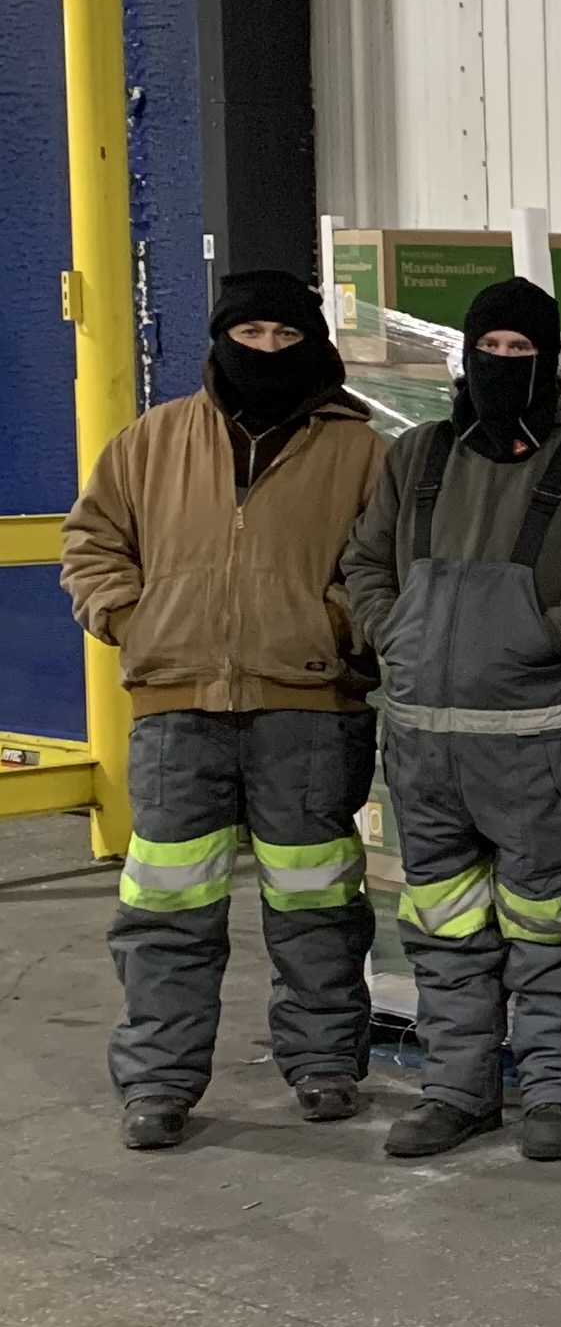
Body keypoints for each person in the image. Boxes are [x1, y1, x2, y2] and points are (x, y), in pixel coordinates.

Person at [62, 271, 389, 1151]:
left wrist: (332, 625)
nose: (270, 353)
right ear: (219, 340)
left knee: (317, 903)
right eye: (252, 337)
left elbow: (386, 569)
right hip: (177, 710)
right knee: (166, 909)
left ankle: (324, 1065)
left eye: (288, 338)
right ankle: (160, 1081)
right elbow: (91, 544)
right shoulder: (151, 441)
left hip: (311, 709)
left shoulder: (362, 452)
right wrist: (136, 620)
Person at [341, 278, 561, 1163]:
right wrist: (392, 629)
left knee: (552, 923)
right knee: (443, 929)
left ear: (547, 362)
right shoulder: (416, 457)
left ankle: (559, 1094)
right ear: (465, 355)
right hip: (422, 747)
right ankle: (456, 1093)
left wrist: (543, 636)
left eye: (523, 352)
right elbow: (363, 560)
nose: (503, 364)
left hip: (542, 744)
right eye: (492, 349)